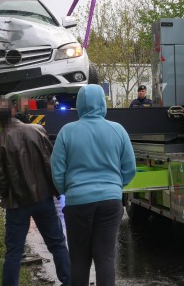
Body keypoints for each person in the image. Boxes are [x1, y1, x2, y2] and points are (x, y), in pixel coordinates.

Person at [51, 84, 135, 286]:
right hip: (110, 202)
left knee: (79, 260)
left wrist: (67, 190)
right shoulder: (118, 130)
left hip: (78, 203)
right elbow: (130, 168)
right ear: (102, 103)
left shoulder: (67, 132)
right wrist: (114, 186)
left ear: (79, 105)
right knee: (105, 258)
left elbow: (57, 170)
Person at [0, 97, 70, 286]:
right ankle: (68, 281)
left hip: (16, 203)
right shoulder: (37, 130)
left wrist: (6, 196)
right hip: (43, 197)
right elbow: (51, 164)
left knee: (14, 251)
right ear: (13, 111)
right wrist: (56, 190)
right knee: (57, 244)